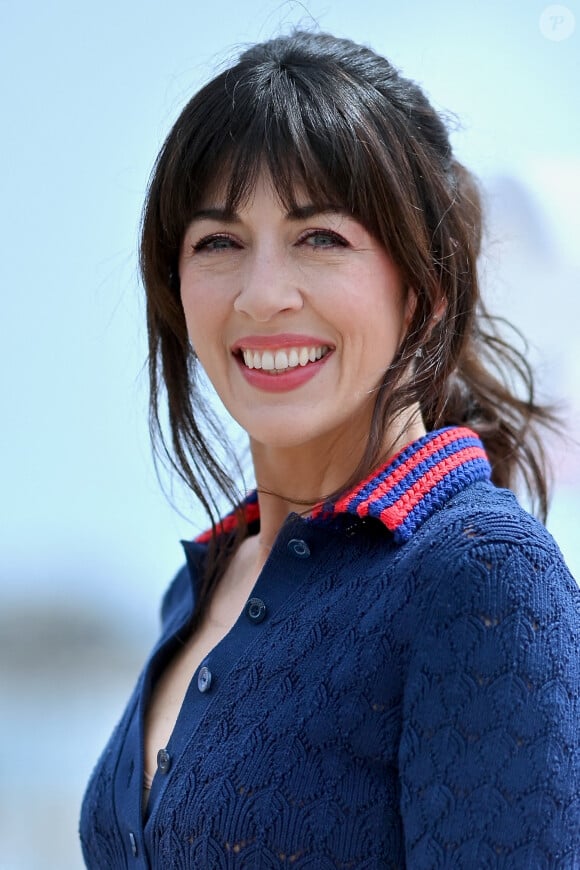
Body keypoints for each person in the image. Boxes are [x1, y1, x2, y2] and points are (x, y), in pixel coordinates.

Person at [79, 30, 580, 868]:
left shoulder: (483, 574)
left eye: (321, 238)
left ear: (424, 287)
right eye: (218, 242)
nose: (263, 294)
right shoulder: (203, 581)